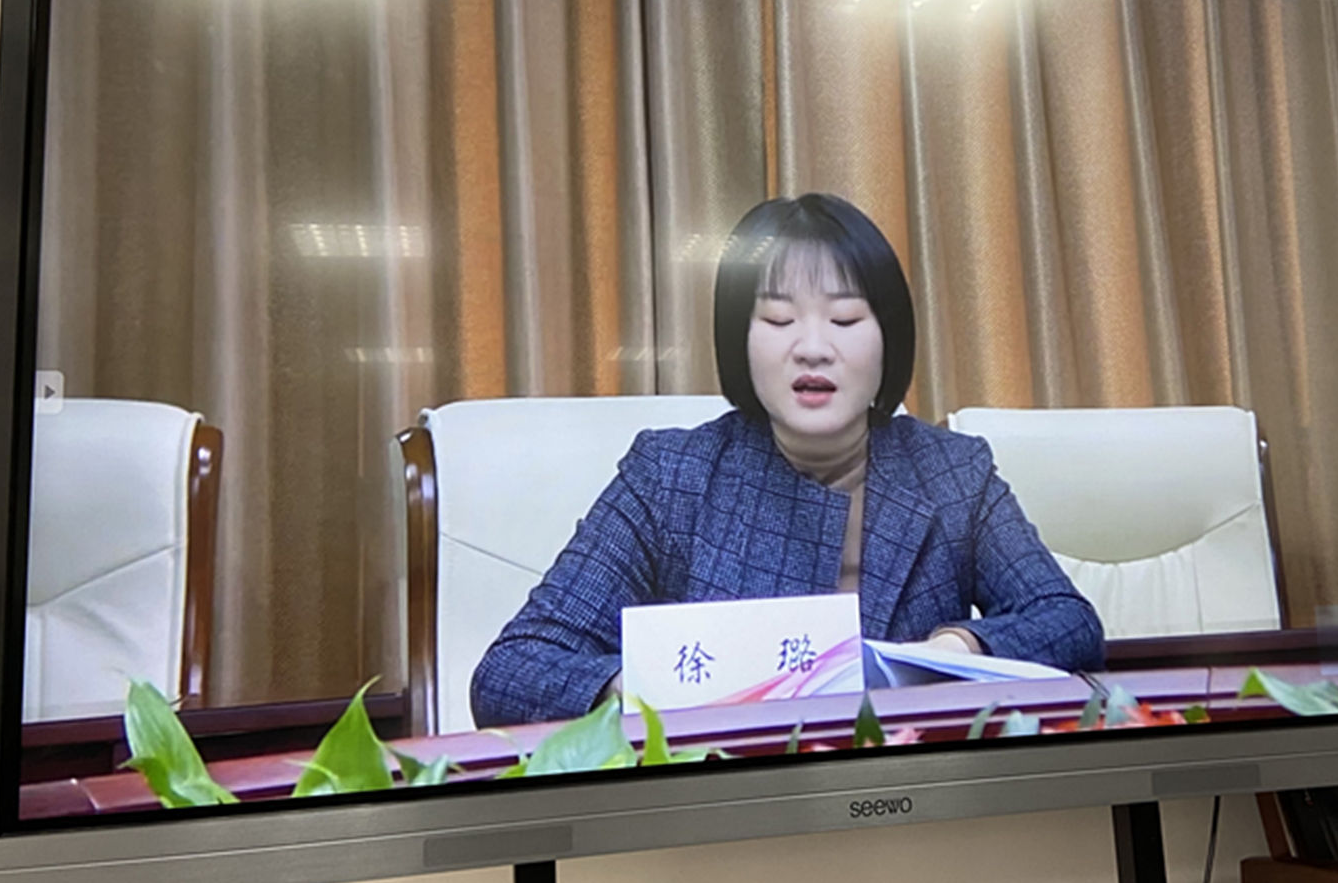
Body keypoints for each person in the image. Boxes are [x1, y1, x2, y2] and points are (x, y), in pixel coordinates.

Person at [470, 193, 1103, 726]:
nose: (812, 347)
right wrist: (648, 691)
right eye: (778, 318)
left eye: (845, 318)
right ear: (739, 341)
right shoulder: (669, 477)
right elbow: (510, 671)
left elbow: (1068, 621)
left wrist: (959, 647)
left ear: (889, 339)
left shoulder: (953, 474)